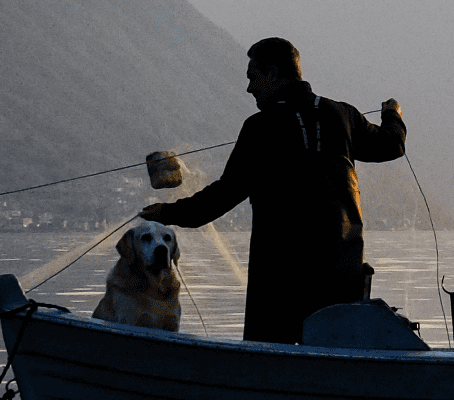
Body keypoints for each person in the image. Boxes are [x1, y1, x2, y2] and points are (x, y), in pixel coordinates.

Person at [139, 37, 406, 344]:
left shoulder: (259, 128)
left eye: (253, 77)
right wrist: (392, 114)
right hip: (341, 277)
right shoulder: (343, 116)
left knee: (271, 359)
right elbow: (392, 144)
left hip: (279, 283)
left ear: (274, 73)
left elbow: (221, 198)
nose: (250, 88)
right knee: (335, 350)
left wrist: (166, 212)